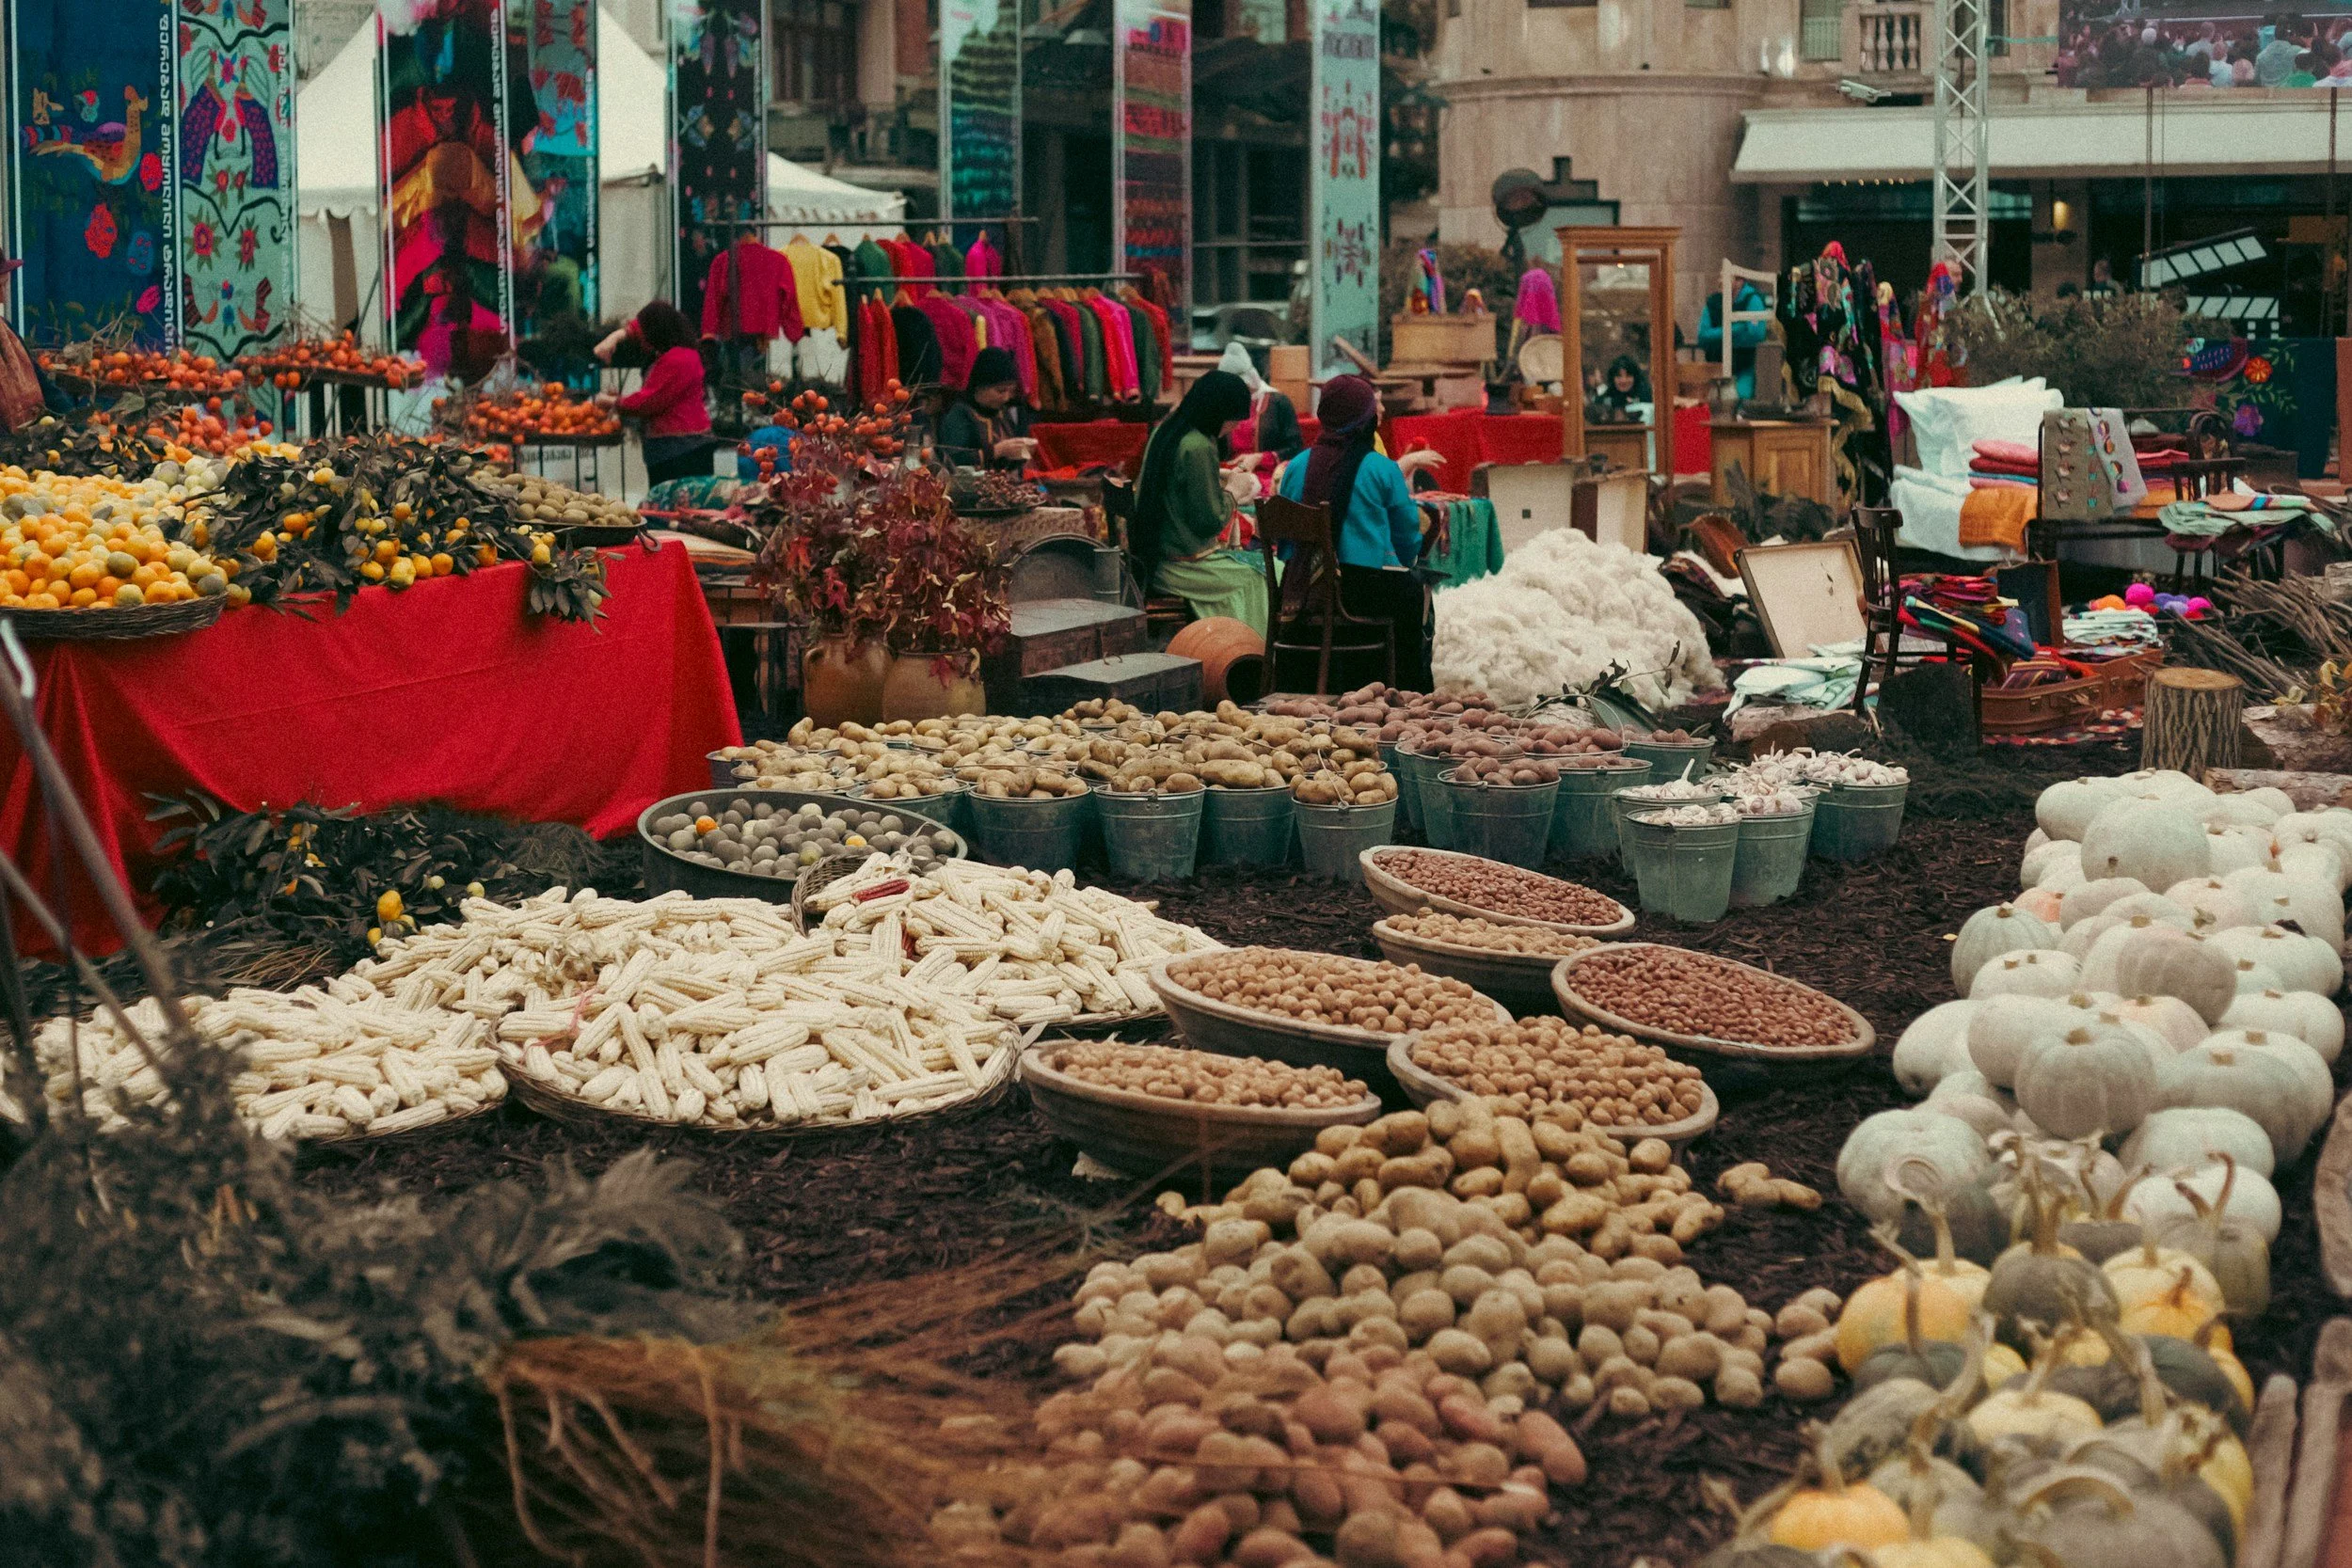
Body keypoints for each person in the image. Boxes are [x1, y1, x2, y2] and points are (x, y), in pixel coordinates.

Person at [1275, 373, 1437, 689]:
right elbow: (1408, 549)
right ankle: (1407, 691)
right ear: (1364, 421)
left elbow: (1285, 548)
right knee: (1416, 590)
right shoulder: (1382, 469)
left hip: (1300, 591)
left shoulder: (1295, 467)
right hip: (1360, 595)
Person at [1129, 370, 1269, 626]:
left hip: (1154, 558)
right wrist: (1233, 491)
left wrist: (1213, 477)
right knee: (1264, 574)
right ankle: (1250, 654)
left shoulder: (1167, 430)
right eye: (1233, 419)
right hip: (1182, 567)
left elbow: (1174, 482)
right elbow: (1209, 521)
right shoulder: (1199, 446)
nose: (1236, 426)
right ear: (1218, 412)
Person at [596, 300, 715, 484]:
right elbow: (636, 328)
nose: (642, 343)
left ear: (656, 331)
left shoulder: (678, 359)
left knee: (674, 508)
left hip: (681, 451)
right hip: (677, 448)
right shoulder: (680, 353)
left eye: (644, 336)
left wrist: (612, 402)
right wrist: (612, 339)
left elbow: (649, 402)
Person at [935, 346, 1035, 470]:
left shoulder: (1002, 412)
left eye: (1011, 391)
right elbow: (952, 459)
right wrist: (998, 451)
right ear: (980, 386)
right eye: (1000, 391)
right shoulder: (960, 413)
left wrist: (1020, 453)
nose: (1006, 398)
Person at [0, 251, 67, 434]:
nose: (3, 298)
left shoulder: (5, 330)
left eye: (4, 287)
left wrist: (73, 419)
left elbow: (42, 383)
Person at [1591, 354, 1649, 420]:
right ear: (1613, 378)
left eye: (1628, 376)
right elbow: (1595, 401)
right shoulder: (1607, 396)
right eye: (1619, 376)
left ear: (1635, 378)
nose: (1623, 380)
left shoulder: (1646, 395)